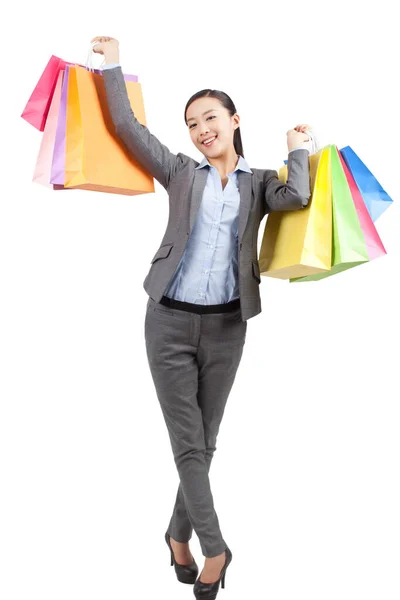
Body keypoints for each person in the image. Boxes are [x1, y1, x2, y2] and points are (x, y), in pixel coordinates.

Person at [90, 35, 312, 599]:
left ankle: (174, 535)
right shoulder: (181, 172)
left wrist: (296, 151)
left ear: (235, 120)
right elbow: (128, 130)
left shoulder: (261, 183)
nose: (200, 129)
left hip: (226, 326)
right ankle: (216, 549)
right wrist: (113, 65)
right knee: (189, 444)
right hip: (166, 322)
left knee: (205, 442)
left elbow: (299, 198)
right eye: (192, 123)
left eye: (210, 117)